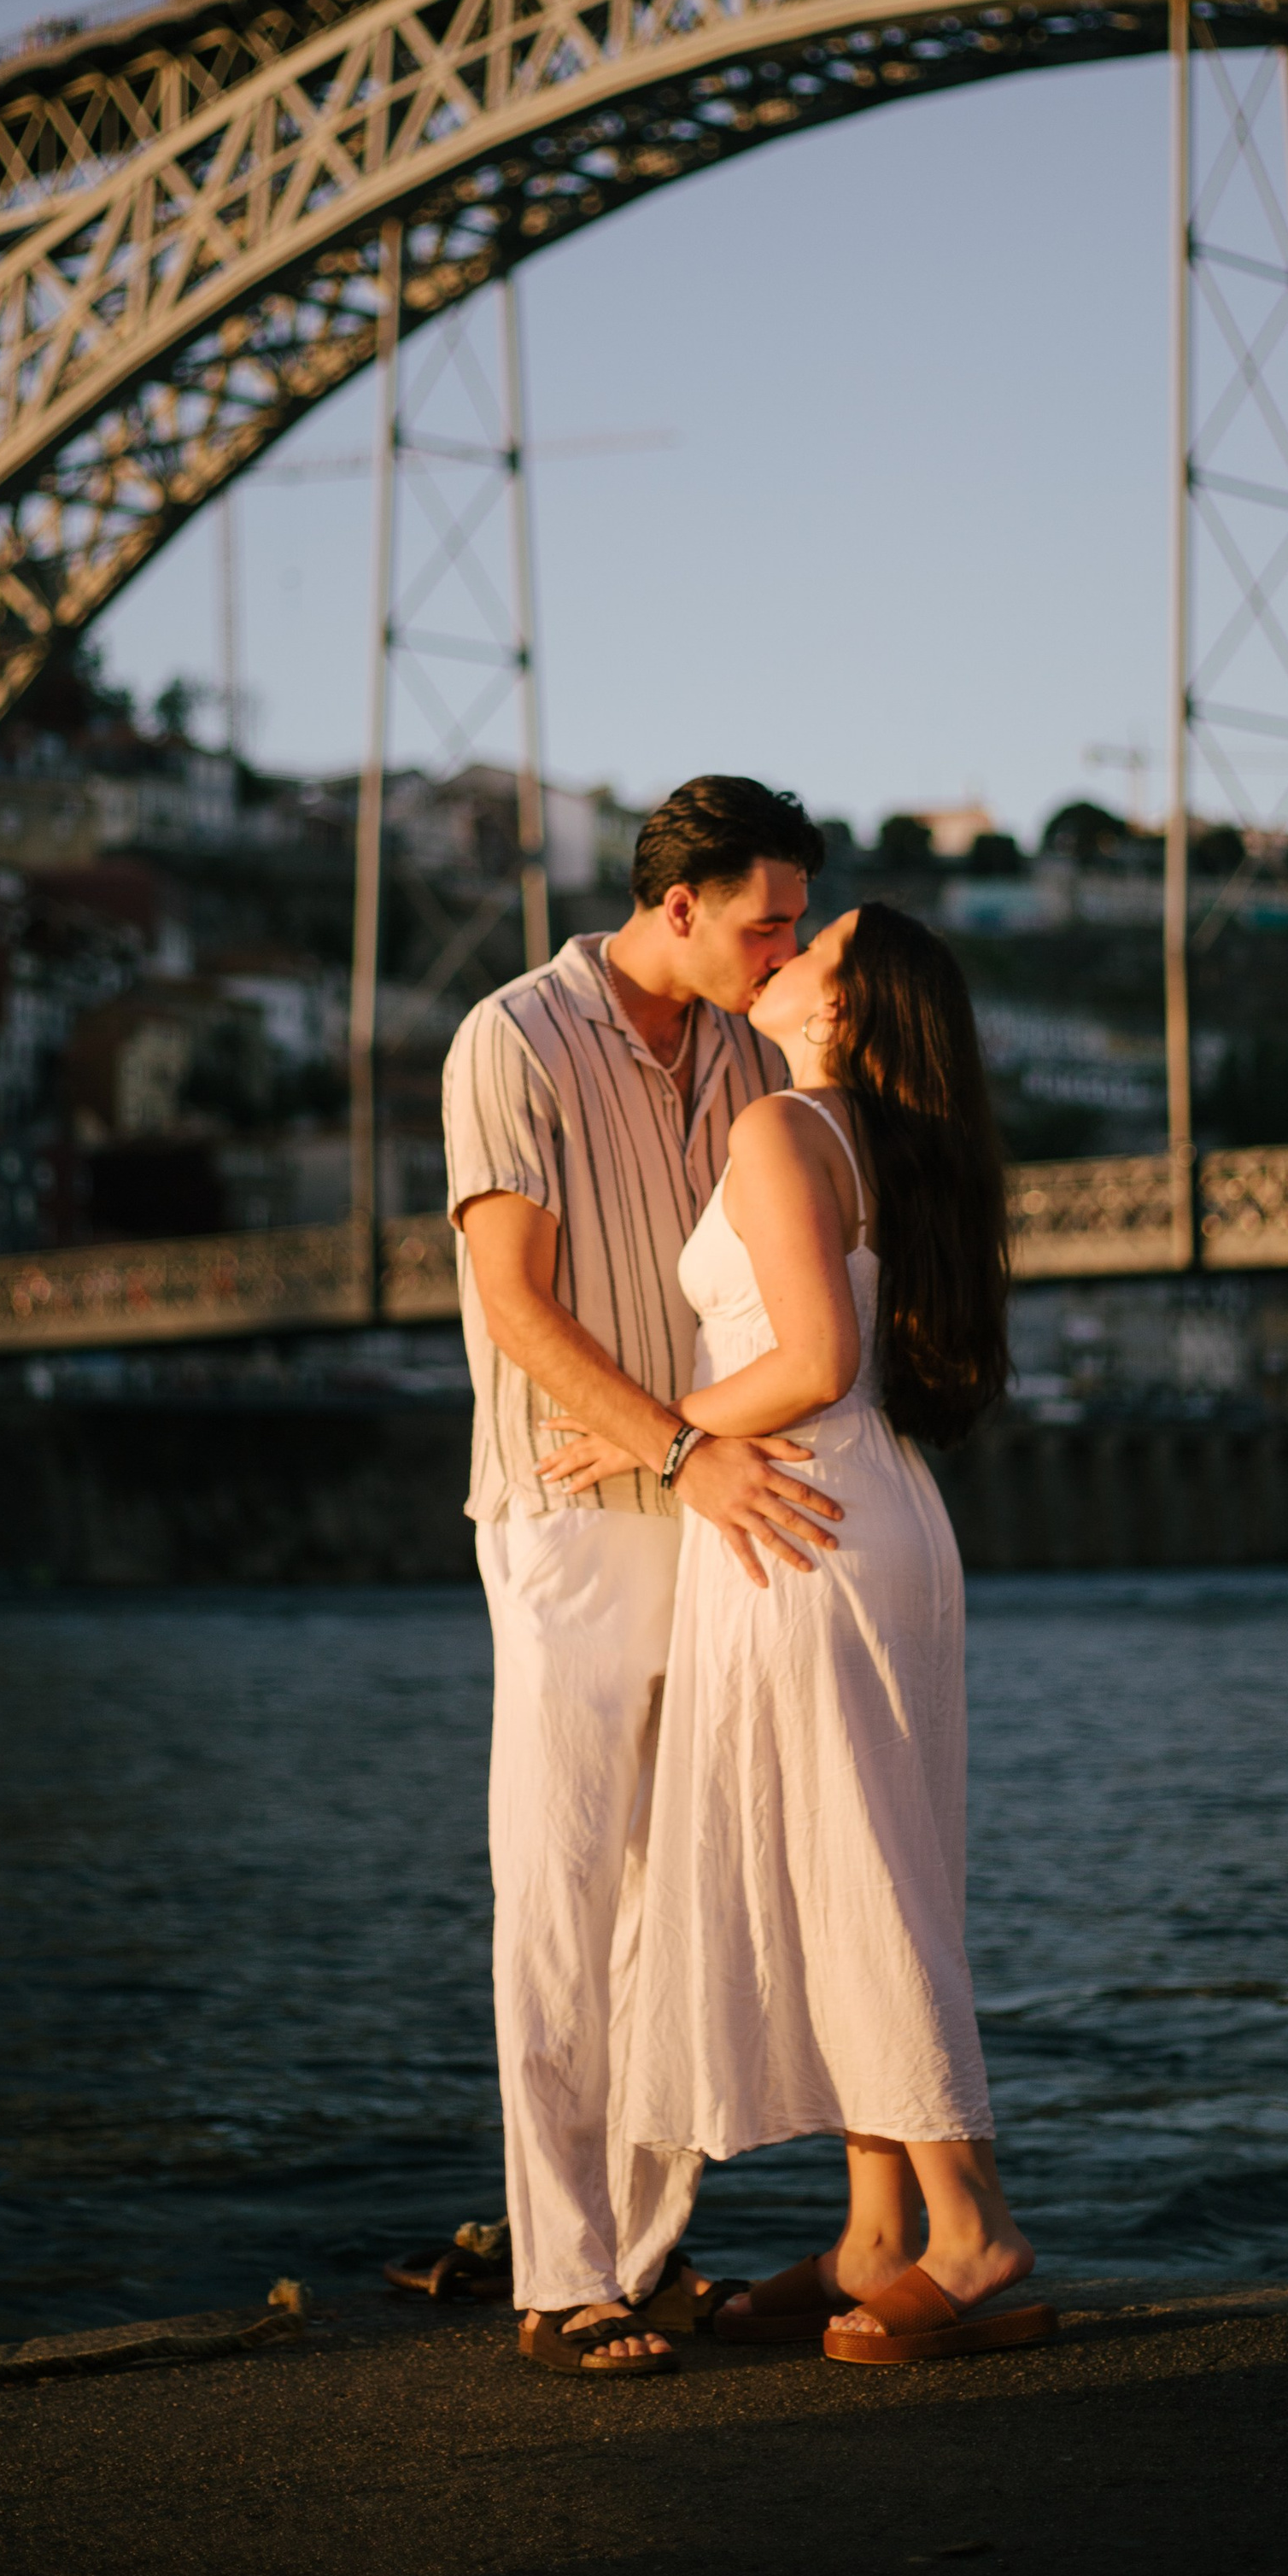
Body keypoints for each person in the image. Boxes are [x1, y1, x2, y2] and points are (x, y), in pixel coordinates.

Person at [553, 901, 1051, 2366]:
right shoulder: (884, 1145)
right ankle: (877, 2233)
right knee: (863, 1856)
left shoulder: (785, 1131)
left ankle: (971, 2230)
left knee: (857, 1868)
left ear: (847, 1009)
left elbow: (815, 1362)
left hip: (802, 1514)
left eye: (814, 948)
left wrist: (650, 1429)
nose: (783, 957)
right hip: (867, 1510)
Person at [440, 774, 839, 2378]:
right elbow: (517, 1314)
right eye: (766, 919)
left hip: (722, 1504)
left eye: (799, 921)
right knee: (558, 1890)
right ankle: (558, 2275)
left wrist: (703, 1456)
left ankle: (643, 2251)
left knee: (687, 1904)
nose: (783, 944)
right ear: (676, 904)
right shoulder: (513, 1039)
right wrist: (679, 1450)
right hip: (579, 1514)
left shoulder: (751, 1056)